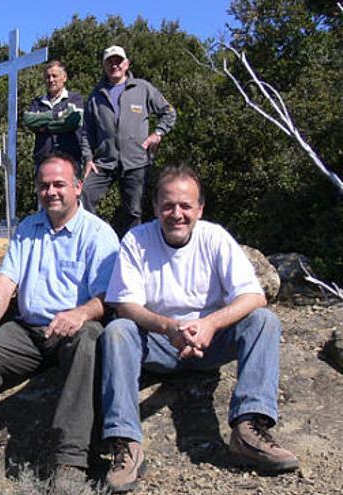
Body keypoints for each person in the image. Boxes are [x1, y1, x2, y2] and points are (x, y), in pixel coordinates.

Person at [0, 153, 120, 494]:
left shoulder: (98, 234)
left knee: (90, 340)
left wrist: (80, 313)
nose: (51, 192)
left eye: (59, 184)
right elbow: (6, 282)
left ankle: (70, 462)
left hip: (74, 329)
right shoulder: (29, 228)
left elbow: (108, 297)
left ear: (77, 187)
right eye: (44, 186)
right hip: (28, 331)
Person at [100, 164, 298, 493]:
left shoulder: (214, 238)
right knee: (118, 330)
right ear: (155, 206)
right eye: (168, 205)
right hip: (158, 341)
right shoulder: (136, 240)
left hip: (211, 341)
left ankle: (249, 428)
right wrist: (168, 327)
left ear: (200, 208)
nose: (176, 214)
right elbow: (126, 304)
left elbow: (253, 296)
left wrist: (209, 324)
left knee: (264, 320)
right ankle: (126, 443)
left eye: (185, 205)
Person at [82, 45, 176, 234]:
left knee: (133, 210)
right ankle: (93, 240)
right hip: (104, 162)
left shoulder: (142, 88)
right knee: (83, 195)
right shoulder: (95, 95)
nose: (114, 65)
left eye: (118, 61)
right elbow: (87, 132)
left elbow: (169, 112)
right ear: (104, 66)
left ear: (126, 64)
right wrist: (88, 159)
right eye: (109, 62)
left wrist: (157, 134)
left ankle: (131, 247)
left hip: (136, 161)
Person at [23, 60, 91, 167]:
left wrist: (44, 126)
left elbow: (73, 122)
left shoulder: (75, 99)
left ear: (64, 77)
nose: (51, 80)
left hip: (70, 161)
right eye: (47, 77)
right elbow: (29, 121)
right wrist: (58, 116)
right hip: (43, 161)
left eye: (54, 76)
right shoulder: (37, 102)